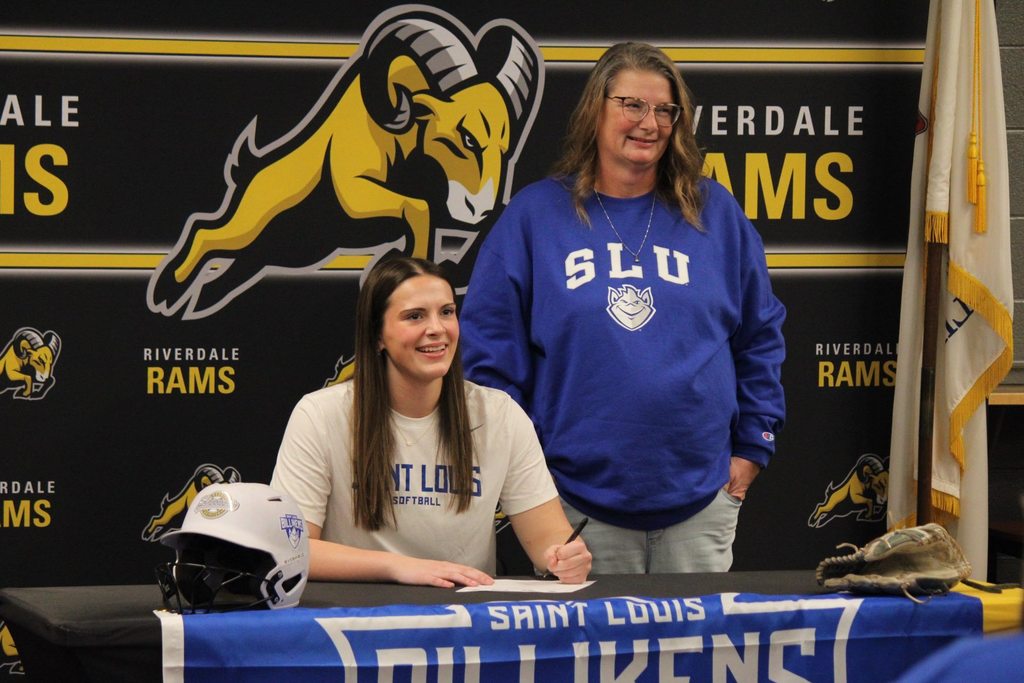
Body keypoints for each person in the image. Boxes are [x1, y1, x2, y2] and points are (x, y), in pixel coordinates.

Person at [459, 42, 786, 573]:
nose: (649, 123)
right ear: (597, 109)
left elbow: (760, 336)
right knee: (589, 659)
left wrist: (752, 447)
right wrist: (526, 473)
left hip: (701, 505)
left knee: (692, 657)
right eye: (632, 105)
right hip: (573, 510)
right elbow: (489, 355)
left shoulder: (714, 213)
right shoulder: (536, 217)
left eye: (664, 110)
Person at [271, 255, 591, 587]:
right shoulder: (321, 415)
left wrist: (565, 558)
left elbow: (549, 541)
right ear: (377, 335)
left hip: (463, 622)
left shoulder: (500, 416)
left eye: (447, 312)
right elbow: (291, 549)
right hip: (356, 619)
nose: (436, 329)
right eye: (414, 316)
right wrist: (401, 568)